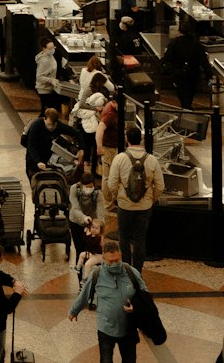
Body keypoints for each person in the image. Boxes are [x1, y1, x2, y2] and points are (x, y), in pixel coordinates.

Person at [68, 236, 148, 363]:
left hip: (128, 329)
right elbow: (85, 293)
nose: (115, 264)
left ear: (120, 256)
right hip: (105, 329)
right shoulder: (97, 274)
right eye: (111, 261)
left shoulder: (132, 272)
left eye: (117, 260)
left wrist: (137, 307)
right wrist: (74, 311)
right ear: (103, 259)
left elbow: (145, 295)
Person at [105, 123, 164, 272]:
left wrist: (116, 197)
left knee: (123, 237)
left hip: (125, 206)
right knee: (139, 239)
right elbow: (160, 186)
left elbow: (111, 183)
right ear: (141, 140)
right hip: (144, 207)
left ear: (127, 139)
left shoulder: (119, 158)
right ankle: (137, 272)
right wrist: (151, 199)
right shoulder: (151, 159)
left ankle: (126, 269)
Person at [24, 108, 60, 178]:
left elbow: (75, 132)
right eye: (49, 124)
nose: (51, 127)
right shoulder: (35, 126)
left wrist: (81, 149)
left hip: (45, 158)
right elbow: (31, 146)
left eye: (53, 125)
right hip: (33, 159)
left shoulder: (56, 124)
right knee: (34, 178)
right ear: (44, 119)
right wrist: (38, 161)